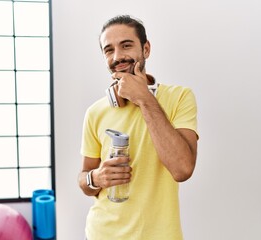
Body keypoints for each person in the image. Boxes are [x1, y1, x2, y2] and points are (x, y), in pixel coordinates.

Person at [78, 15, 199, 240]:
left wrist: (144, 98)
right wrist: (96, 177)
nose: (117, 56)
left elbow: (182, 169)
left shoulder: (180, 98)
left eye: (126, 45)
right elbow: (84, 180)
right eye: (108, 50)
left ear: (146, 48)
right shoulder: (95, 112)